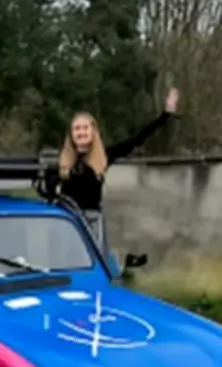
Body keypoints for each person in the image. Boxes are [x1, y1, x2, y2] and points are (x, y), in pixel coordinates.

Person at [57, 89, 180, 253]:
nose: (81, 132)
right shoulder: (62, 161)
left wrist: (165, 115)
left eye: (85, 128)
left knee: (95, 262)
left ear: (93, 132)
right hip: (68, 220)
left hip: (92, 220)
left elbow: (136, 140)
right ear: (71, 134)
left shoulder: (104, 157)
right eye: (77, 129)